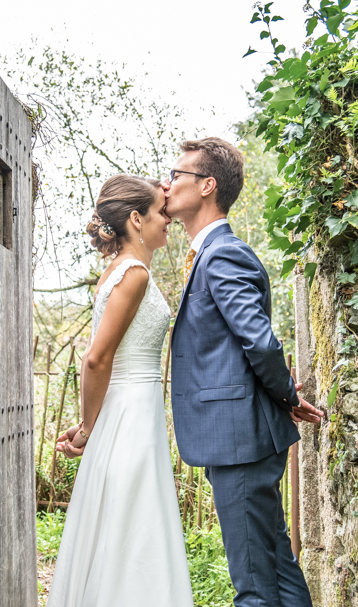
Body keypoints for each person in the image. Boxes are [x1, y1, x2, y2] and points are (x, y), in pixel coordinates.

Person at [165, 137, 325, 607]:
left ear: (207, 185)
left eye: (178, 175)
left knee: (253, 584)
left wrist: (287, 397)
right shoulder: (211, 254)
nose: (168, 183)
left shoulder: (222, 254)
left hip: (237, 440)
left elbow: (258, 340)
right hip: (241, 437)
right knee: (275, 561)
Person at [47, 175, 193, 607]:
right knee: (133, 524)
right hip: (129, 413)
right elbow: (96, 358)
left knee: (122, 523)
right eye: (161, 212)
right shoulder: (134, 276)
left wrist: (90, 424)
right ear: (136, 218)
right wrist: (88, 428)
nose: (168, 220)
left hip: (128, 409)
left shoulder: (117, 271)